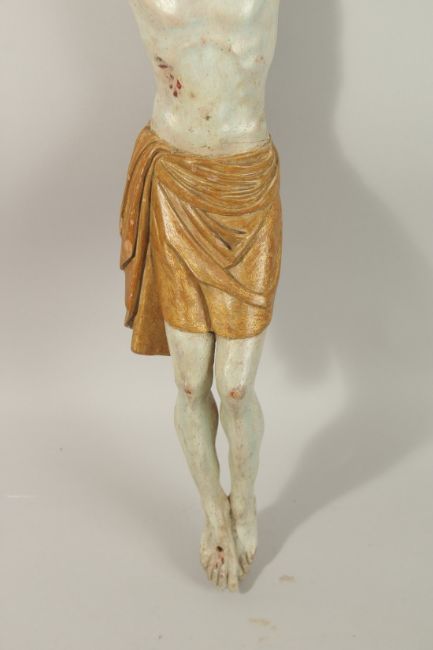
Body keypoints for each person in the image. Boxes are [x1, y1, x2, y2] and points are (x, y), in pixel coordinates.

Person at [120, 0, 281, 592]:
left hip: (245, 181)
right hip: (176, 180)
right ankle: (214, 512)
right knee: (191, 383)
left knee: (235, 388)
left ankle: (246, 499)